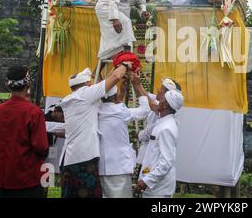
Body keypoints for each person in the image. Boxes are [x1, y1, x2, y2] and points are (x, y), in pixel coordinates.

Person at [59, 65, 127, 198]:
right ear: (86, 84)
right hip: (83, 160)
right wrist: (125, 63)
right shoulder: (85, 95)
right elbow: (115, 77)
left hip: (71, 158)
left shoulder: (76, 98)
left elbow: (109, 90)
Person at [0, 65, 49, 198]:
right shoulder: (33, 112)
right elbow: (41, 146)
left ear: (9, 85)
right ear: (28, 83)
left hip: (3, 177)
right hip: (27, 178)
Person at [98, 72, 151, 198]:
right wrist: (137, 85)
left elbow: (114, 105)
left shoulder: (96, 110)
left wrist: (122, 91)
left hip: (100, 166)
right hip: (119, 168)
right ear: (114, 97)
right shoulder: (120, 111)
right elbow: (145, 111)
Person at [136, 89, 184, 198]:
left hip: (159, 189)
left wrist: (147, 180)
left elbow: (167, 162)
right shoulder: (163, 121)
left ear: (165, 105)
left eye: (162, 99)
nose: (158, 101)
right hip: (155, 187)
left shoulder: (167, 128)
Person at [136, 77, 181, 165]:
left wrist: (139, 135)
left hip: (149, 157)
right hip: (149, 157)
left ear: (166, 97)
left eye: (161, 88)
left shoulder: (162, 113)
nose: (158, 89)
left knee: (144, 177)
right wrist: (137, 84)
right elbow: (146, 97)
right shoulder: (165, 108)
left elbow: (149, 133)